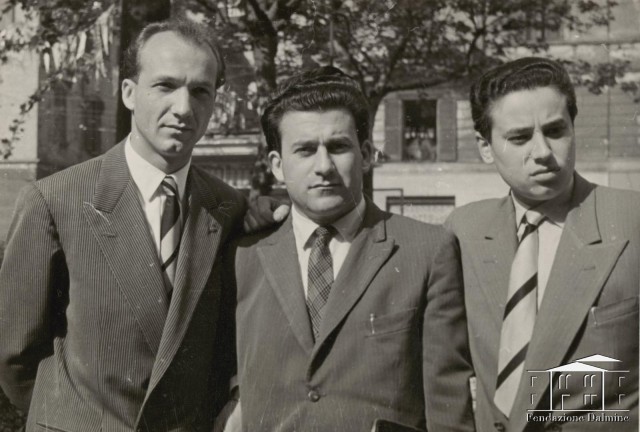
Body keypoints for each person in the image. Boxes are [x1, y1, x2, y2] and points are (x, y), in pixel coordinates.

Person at [0, 19, 280, 431]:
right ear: (129, 93)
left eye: (200, 91)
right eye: (165, 86)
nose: (183, 108)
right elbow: (13, 353)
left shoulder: (228, 207)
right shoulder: (54, 200)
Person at [225, 66, 475, 432]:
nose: (323, 166)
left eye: (338, 147)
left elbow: (448, 407)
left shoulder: (426, 250)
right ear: (277, 166)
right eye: (305, 150)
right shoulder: (242, 255)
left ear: (367, 154)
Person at [445, 57, 639, 431]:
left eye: (555, 131)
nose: (543, 152)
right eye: (520, 138)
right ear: (485, 147)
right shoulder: (463, 231)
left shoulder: (631, 220)